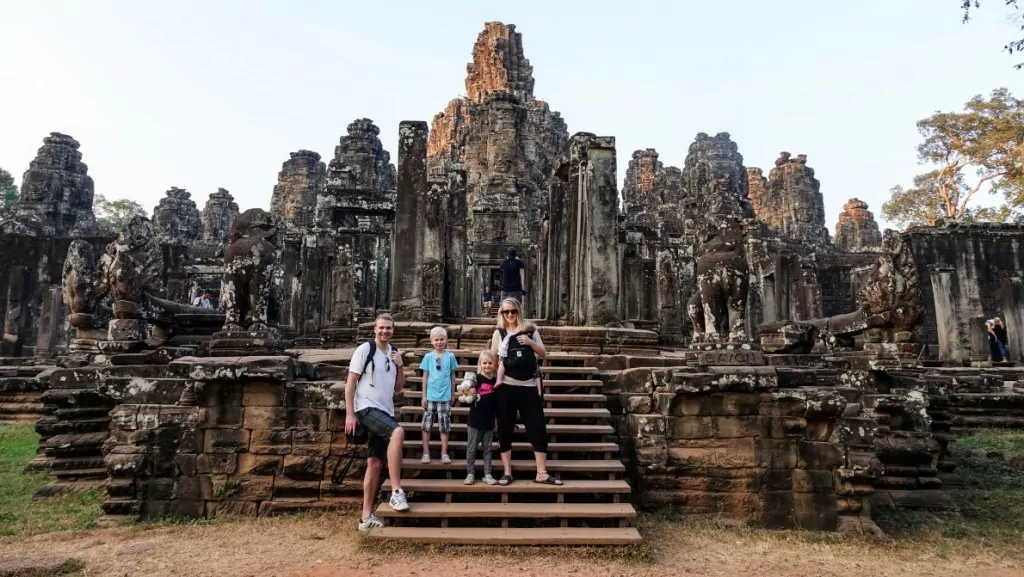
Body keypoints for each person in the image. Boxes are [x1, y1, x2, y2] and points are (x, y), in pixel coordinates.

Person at [344, 313, 409, 533]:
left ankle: (365, 518)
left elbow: (399, 388)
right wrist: (350, 414)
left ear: (393, 330)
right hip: (365, 408)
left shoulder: (394, 352)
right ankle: (396, 491)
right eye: (381, 328)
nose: (385, 331)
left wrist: (400, 365)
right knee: (397, 433)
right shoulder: (365, 349)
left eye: (388, 328)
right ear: (375, 329)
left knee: (375, 463)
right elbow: (351, 383)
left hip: (385, 410)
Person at [491, 297, 562, 487]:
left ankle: (542, 472)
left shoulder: (531, 329)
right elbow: (494, 360)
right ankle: (507, 472)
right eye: (506, 312)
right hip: (506, 387)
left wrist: (530, 342)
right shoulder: (498, 333)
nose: (510, 315)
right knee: (505, 428)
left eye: (513, 311)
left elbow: (543, 353)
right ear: (501, 314)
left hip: (529, 386)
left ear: (519, 311)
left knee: (537, 427)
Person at [418, 326, 458, 464]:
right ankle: (426, 452)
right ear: (431, 341)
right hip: (430, 397)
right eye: (436, 340)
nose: (439, 342)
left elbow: (453, 377)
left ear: (446, 340)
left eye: (442, 339)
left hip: (445, 396)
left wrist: (453, 394)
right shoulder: (428, 357)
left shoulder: (450, 356)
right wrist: (423, 396)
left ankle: (444, 452)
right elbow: (425, 377)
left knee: (444, 425)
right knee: (426, 425)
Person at [464, 350, 499, 485]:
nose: (487, 366)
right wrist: (470, 391)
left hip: (489, 421)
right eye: (484, 363)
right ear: (480, 364)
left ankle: (487, 474)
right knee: (471, 448)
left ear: (494, 364)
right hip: (475, 420)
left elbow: (496, 404)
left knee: (488, 449)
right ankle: (470, 473)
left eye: (490, 363)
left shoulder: (496, 382)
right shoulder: (476, 379)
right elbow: (465, 391)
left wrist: (496, 420)